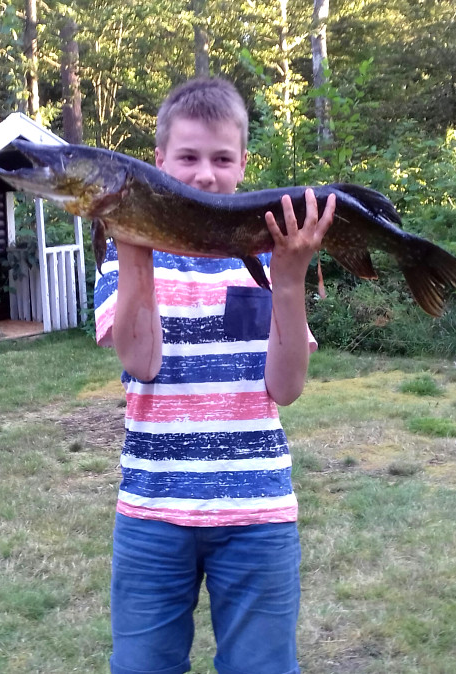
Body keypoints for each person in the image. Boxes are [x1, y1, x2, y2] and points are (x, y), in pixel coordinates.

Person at [94, 77, 336, 674]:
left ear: (243, 164)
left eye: (222, 159)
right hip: (152, 512)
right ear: (158, 162)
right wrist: (135, 244)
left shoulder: (271, 254)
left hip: (258, 514)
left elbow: (286, 388)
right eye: (188, 157)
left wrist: (289, 280)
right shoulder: (120, 255)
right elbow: (141, 362)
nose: (205, 174)